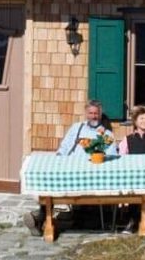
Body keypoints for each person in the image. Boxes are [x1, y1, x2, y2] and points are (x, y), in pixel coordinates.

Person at [24, 99, 117, 236]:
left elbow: (112, 154)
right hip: (71, 167)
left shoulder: (106, 134)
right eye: (90, 113)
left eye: (96, 113)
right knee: (49, 183)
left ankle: (41, 219)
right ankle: (41, 217)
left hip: (92, 172)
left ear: (100, 114)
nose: (93, 116)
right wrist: (59, 161)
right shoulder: (77, 127)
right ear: (86, 114)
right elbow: (65, 146)